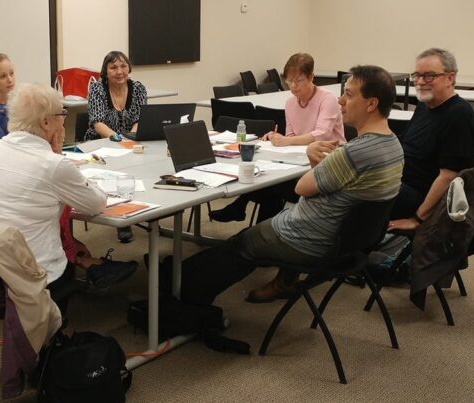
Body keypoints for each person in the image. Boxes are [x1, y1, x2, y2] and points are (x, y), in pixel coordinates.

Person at [168, 65, 403, 308]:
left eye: (349, 94)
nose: (341, 100)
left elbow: (302, 188)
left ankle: (179, 289)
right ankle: (179, 275)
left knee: (241, 245)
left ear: (372, 104)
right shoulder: (393, 145)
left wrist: (313, 157)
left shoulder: (355, 153)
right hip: (342, 242)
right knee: (246, 239)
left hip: (309, 238)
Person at [0, 83, 137, 292]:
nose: (64, 119)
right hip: (33, 278)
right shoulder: (52, 164)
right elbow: (97, 203)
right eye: (62, 114)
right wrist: (56, 155)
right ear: (46, 122)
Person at [209, 53, 345, 224]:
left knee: (272, 187)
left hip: (327, 161)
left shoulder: (328, 99)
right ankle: (253, 224)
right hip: (299, 159)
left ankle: (242, 210)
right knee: (268, 183)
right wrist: (276, 138)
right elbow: (290, 135)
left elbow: (322, 134)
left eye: (299, 80)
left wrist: (287, 141)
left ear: (311, 77)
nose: (294, 86)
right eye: (289, 81)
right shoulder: (290, 103)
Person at [387, 48, 474, 231]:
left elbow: (448, 176)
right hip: (401, 182)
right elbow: (405, 144)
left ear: (450, 78)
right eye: (417, 75)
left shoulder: (459, 114)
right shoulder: (425, 106)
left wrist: (417, 219)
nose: (420, 82)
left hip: (419, 195)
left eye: (429, 76)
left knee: (354, 197)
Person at [84, 50, 146, 243]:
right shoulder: (97, 89)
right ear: (106, 71)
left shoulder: (138, 88)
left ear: (129, 68)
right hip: (99, 143)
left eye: (123, 66)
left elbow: (140, 118)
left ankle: (145, 210)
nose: (119, 71)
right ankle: (123, 220)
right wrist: (120, 141)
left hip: (130, 141)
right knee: (116, 172)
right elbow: (97, 123)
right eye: (113, 67)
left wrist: (132, 138)